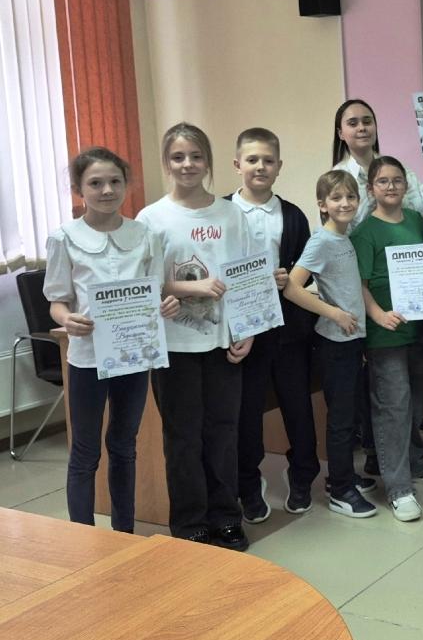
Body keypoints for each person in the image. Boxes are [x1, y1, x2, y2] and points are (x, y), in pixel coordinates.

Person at [43, 147, 180, 533]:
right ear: (79, 189)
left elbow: (154, 293)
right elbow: (57, 301)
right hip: (87, 358)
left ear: (127, 184)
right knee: (85, 452)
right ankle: (83, 538)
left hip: (133, 356)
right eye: (95, 183)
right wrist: (67, 319)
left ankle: (124, 534)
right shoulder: (64, 238)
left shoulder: (145, 235)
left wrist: (166, 305)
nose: (107, 190)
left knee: (124, 445)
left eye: (115, 181)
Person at [138, 122, 255, 549]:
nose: (188, 164)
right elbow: (142, 284)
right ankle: (190, 524)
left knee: (223, 431)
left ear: (208, 161)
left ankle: (226, 516)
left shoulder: (231, 214)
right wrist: (188, 289)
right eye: (178, 157)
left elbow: (247, 276)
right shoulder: (151, 219)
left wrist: (247, 331)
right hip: (174, 345)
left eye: (196, 156)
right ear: (166, 163)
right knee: (183, 436)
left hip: (223, 343)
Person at [225, 128, 325, 521]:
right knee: (246, 412)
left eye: (268, 160)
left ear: (279, 166)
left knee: (298, 408)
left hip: (288, 331)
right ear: (237, 164)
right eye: (252, 160)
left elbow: (306, 271)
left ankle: (302, 476)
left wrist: (289, 279)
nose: (260, 167)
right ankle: (248, 485)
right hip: (242, 331)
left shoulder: (293, 215)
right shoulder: (219, 213)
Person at [351, 156, 423, 522]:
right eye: (382, 181)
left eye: (397, 180)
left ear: (407, 185)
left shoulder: (418, 221)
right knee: (393, 407)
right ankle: (399, 489)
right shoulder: (365, 232)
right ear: (371, 188)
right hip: (385, 333)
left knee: (416, 402)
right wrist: (377, 314)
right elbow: (358, 284)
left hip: (418, 329)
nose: (390, 186)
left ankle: (414, 458)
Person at [282, 170, 378, 520]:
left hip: (352, 341)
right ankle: (340, 489)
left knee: (350, 415)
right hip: (335, 344)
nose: (345, 203)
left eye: (350, 197)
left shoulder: (345, 237)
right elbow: (291, 287)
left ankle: (343, 474)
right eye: (336, 198)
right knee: (340, 419)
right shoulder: (321, 241)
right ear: (322, 205)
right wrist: (333, 313)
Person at [330, 98, 423, 228]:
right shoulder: (337, 178)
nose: (362, 128)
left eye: (367, 122)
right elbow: (335, 230)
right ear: (340, 133)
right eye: (353, 124)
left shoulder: (397, 169)